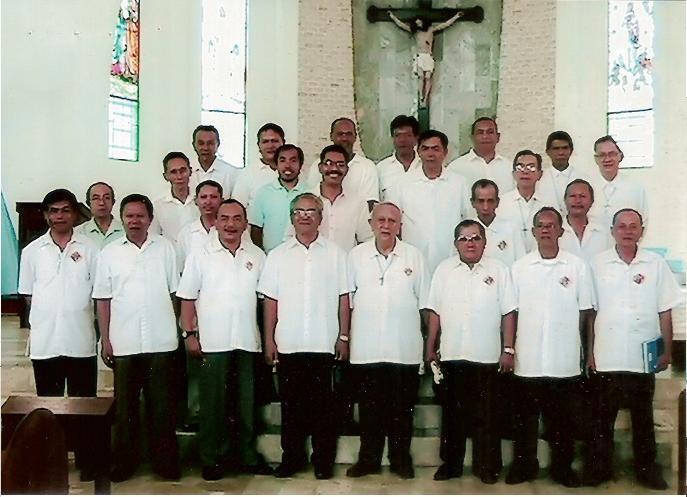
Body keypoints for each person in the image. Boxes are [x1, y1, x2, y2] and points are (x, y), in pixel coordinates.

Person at [584, 208, 682, 490]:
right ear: (613, 230)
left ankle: (646, 471)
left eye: (633, 226)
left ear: (642, 230)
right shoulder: (597, 264)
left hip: (643, 357)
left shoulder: (655, 264)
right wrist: (590, 353)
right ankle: (599, 469)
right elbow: (591, 312)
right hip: (607, 354)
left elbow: (665, 310)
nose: (628, 231)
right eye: (622, 226)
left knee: (643, 418)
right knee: (602, 419)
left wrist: (666, 350)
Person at [177, 199, 273, 481]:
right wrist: (189, 334)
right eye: (224, 218)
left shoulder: (257, 255)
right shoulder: (200, 254)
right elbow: (187, 297)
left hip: (246, 341)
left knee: (246, 404)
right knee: (213, 405)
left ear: (245, 223)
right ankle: (211, 457)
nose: (230, 224)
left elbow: (263, 300)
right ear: (216, 221)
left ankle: (245, 455)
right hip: (212, 342)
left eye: (236, 219)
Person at [258, 193, 352, 480]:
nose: (305, 216)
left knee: (325, 410)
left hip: (324, 342)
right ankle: (293, 459)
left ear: (320, 218)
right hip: (290, 342)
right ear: (291, 218)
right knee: (291, 408)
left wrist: (344, 336)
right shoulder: (277, 255)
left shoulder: (336, 253)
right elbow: (270, 301)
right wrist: (270, 340)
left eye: (311, 211)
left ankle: (323, 460)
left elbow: (344, 297)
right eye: (299, 211)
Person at [93, 194, 180, 482]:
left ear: (150, 219)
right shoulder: (109, 252)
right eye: (129, 215)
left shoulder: (166, 248)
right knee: (126, 407)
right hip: (124, 340)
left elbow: (174, 293)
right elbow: (103, 300)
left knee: (162, 406)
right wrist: (105, 339)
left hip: (161, 339)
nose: (134, 220)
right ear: (122, 218)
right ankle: (124, 463)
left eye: (140, 215)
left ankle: (165, 463)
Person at [507, 207, 594, 488]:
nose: (546, 230)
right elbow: (511, 312)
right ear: (533, 232)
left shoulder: (577, 267)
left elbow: (586, 313)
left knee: (562, 423)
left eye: (551, 225)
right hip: (528, 361)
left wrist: (585, 351)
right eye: (540, 226)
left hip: (563, 360)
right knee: (525, 422)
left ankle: (562, 469)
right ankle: (524, 467)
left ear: (560, 230)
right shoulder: (519, 268)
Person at [426, 219, 517, 483]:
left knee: (487, 416)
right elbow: (435, 311)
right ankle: (450, 465)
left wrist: (508, 348)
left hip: (487, 355)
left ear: (484, 242)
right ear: (455, 243)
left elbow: (508, 312)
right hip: (453, 354)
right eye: (464, 239)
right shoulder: (444, 270)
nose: (470, 243)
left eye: (475, 238)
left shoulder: (499, 270)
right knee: (453, 417)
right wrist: (431, 345)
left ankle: (487, 466)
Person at [18, 188, 99, 481]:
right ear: (45, 215)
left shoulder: (91, 249)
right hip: (46, 342)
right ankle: (51, 463)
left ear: (75, 214)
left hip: (80, 341)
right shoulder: (32, 252)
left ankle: (88, 461)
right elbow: (28, 295)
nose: (59, 216)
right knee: (48, 407)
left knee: (84, 405)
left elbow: (98, 293)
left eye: (65, 210)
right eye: (53, 211)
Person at [346, 202, 429, 480]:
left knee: (401, 411)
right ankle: (368, 459)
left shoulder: (414, 257)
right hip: (366, 348)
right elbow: (347, 300)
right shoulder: (355, 256)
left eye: (392, 221)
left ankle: (400, 460)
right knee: (369, 411)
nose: (385, 225)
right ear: (370, 223)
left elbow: (425, 304)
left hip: (403, 348)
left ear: (399, 225)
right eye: (380, 219)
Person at [387, 129, 469, 273]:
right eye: (425, 149)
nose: (430, 154)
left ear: (445, 152)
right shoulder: (401, 184)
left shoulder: (460, 183)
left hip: (451, 259)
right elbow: (392, 223)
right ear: (418, 152)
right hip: (411, 261)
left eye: (436, 149)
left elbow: (469, 219)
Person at [387, 10, 464, 106]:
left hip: (428, 56)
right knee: (420, 77)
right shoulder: (415, 32)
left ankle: (426, 97)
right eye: (417, 23)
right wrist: (392, 17)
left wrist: (456, 16)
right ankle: (420, 97)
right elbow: (401, 25)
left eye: (419, 22)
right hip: (420, 56)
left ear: (423, 22)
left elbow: (445, 24)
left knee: (428, 77)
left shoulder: (430, 30)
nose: (418, 24)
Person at [248, 144, 313, 253]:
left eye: (293, 160)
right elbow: (256, 230)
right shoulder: (263, 193)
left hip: (303, 258)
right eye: (282, 160)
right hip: (270, 258)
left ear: (301, 165)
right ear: (276, 165)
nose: (287, 165)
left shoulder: (310, 193)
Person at [305, 118, 379, 209]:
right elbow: (310, 198)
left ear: (355, 137)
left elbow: (371, 203)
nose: (344, 138)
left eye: (348, 134)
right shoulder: (317, 166)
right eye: (340, 134)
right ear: (331, 136)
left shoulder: (367, 167)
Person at [310, 144, 372, 252]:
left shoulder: (358, 202)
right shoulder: (306, 200)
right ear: (320, 168)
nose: (334, 169)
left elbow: (366, 240)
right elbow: (292, 237)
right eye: (328, 163)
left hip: (346, 266)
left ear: (346, 169)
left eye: (340, 164)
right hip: (312, 265)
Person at [497, 150, 554, 252]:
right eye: (520, 167)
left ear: (540, 174)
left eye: (531, 167)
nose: (525, 171)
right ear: (514, 174)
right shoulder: (501, 203)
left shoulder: (549, 203)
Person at [588, 135, 649, 229]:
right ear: (595, 159)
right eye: (602, 155)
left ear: (620, 156)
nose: (607, 159)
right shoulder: (586, 187)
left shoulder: (636, 188)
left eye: (612, 154)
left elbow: (643, 223)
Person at [446, 117, 514, 195]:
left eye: (490, 132)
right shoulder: (456, 168)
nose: (485, 136)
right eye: (480, 132)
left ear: (498, 137)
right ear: (472, 137)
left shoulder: (509, 168)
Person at [470, 179, 526, 266]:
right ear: (472, 203)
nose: (485, 207)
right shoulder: (465, 231)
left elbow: (521, 264)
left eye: (490, 201)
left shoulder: (511, 229)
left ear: (497, 202)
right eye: (481, 201)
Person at [232, 123, 286, 209]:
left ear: (283, 143)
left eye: (274, 141)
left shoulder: (294, 172)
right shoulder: (247, 174)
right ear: (258, 145)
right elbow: (236, 209)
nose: (270, 146)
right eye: (265, 141)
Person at [150, 151, 198, 242]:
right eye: (173, 172)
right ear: (166, 176)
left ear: (190, 171)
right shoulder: (157, 205)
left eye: (183, 170)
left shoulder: (202, 200)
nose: (179, 176)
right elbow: (154, 237)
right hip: (170, 255)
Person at [537, 131, 589, 214]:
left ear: (571, 151)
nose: (561, 152)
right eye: (556, 148)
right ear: (548, 152)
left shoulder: (583, 178)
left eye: (565, 148)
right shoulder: (539, 178)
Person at [176, 180, 223, 268]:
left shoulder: (231, 231)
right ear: (195, 201)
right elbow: (181, 268)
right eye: (203, 197)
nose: (208, 202)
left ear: (221, 200)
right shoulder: (186, 233)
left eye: (213, 197)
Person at [559, 179, 610, 260]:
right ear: (565, 200)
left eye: (582, 196)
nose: (578, 201)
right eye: (573, 196)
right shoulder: (554, 230)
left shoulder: (603, 231)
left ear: (592, 201)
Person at [189, 124, 242, 198]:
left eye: (210, 143)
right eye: (201, 143)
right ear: (194, 145)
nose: (205, 148)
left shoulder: (232, 173)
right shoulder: (185, 172)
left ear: (218, 144)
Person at [377, 115, 422, 200]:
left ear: (416, 138)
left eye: (407, 135)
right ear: (392, 138)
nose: (402, 140)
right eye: (398, 135)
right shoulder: (381, 169)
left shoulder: (425, 166)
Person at [76, 182, 124, 247]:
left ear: (113, 202)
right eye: (96, 198)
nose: (101, 203)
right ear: (88, 203)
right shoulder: (78, 232)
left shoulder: (125, 230)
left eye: (107, 198)